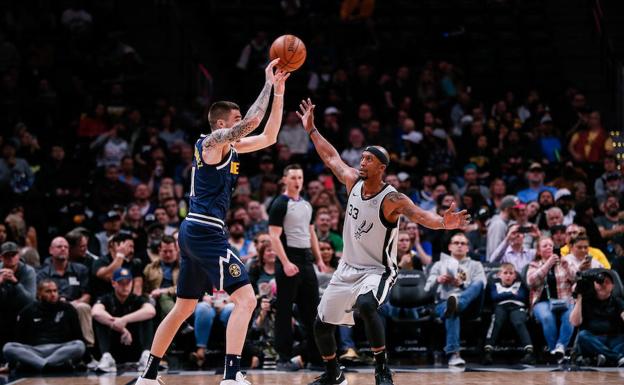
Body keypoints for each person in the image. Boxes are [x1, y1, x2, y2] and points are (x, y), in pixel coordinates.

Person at [297, 98, 470, 385]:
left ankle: (382, 369)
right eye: (362, 158)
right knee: (320, 326)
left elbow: (419, 215)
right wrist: (312, 130)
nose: (361, 162)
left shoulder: (392, 199)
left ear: (381, 168)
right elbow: (331, 158)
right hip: (347, 268)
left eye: (368, 160)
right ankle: (333, 373)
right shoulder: (352, 181)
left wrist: (443, 222)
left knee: (366, 306)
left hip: (378, 270)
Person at [137, 59, 289, 385]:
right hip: (204, 230)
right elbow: (249, 124)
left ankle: (148, 377)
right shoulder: (209, 144)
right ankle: (231, 376)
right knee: (247, 299)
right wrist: (266, 83)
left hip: (198, 231)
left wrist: (279, 92)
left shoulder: (231, 147)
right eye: (234, 121)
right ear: (221, 124)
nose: (240, 125)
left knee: (183, 308)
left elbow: (270, 136)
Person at [268, 163, 325, 370]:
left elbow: (311, 234)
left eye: (300, 178)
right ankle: (282, 359)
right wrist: (285, 263)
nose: (297, 182)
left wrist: (318, 259)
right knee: (284, 311)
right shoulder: (279, 204)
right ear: (284, 180)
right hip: (288, 257)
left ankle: (316, 359)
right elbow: (273, 237)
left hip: (306, 259)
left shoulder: (307, 205)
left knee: (312, 311)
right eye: (293, 178)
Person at [425, 233, 486, 366]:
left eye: (463, 243)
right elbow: (427, 288)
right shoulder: (438, 265)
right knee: (451, 309)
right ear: (450, 246)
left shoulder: (476, 265)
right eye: (456, 243)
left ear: (467, 248)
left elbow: (482, 285)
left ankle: (459, 302)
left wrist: (462, 285)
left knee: (478, 283)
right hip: (444, 303)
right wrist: (438, 280)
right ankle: (454, 355)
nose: (459, 245)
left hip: (470, 305)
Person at [2, 280, 85, 372]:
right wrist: (10, 365)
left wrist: (85, 360)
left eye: (55, 291)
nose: (53, 294)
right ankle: (49, 365)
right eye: (48, 291)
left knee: (79, 345)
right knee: (8, 347)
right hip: (34, 351)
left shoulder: (68, 308)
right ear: (39, 293)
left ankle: (40, 365)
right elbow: (19, 338)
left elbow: (78, 335)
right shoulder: (28, 311)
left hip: (60, 349)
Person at [92, 268, 156, 372]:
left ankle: (146, 355)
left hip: (135, 345)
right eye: (121, 283)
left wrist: (124, 320)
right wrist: (121, 329)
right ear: (113, 283)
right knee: (101, 319)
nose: (125, 286)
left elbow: (151, 311)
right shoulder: (107, 298)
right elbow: (95, 312)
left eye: (128, 283)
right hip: (114, 345)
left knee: (146, 317)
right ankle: (106, 357)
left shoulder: (137, 299)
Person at [36, 236, 94, 346]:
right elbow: (39, 297)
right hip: (51, 306)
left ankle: (88, 349)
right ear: (50, 250)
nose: (63, 249)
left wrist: (74, 304)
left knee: (83, 307)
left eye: (66, 247)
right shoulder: (42, 273)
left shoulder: (81, 269)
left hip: (75, 305)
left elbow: (87, 295)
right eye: (59, 246)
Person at [526, 237, 576, 362]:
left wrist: (567, 265)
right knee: (547, 317)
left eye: (550, 245)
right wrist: (547, 264)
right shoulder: (534, 264)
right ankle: (555, 351)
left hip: (564, 300)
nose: (549, 247)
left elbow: (576, 279)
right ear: (538, 251)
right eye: (545, 246)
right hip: (542, 302)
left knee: (570, 316)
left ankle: (560, 348)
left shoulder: (564, 263)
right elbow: (531, 282)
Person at [482, 263, 534, 365]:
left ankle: (529, 352)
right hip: (500, 306)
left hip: (518, 307)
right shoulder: (494, 284)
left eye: (511, 273)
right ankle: (487, 351)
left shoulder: (520, 284)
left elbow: (521, 297)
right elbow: (494, 297)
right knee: (496, 320)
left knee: (518, 322)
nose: (508, 275)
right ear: (499, 275)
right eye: (505, 273)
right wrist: (511, 294)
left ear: (515, 275)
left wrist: (503, 295)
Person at [570, 269, 624, 367]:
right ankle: (616, 358)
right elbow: (575, 322)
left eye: (607, 282)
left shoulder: (617, 302)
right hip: (593, 340)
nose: (603, 285)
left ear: (613, 286)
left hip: (613, 340)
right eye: (600, 282)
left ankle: (604, 357)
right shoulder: (586, 300)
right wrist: (579, 297)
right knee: (583, 336)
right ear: (594, 284)